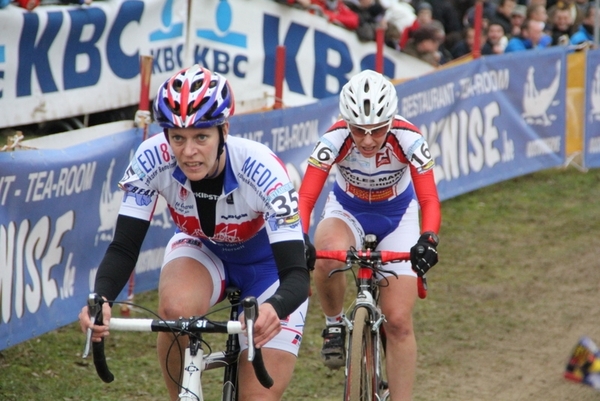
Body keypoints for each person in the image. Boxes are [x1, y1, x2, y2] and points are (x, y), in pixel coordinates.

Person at [78, 65, 311, 401]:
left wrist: (275, 307)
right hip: (202, 251)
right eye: (178, 138)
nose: (188, 152)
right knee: (174, 311)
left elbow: (296, 275)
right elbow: (124, 248)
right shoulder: (152, 157)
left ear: (224, 131)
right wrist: (101, 298)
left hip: (268, 267)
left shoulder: (261, 170)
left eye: (201, 137)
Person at [298, 70, 441, 401]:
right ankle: (334, 324)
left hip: (398, 216)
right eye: (358, 129)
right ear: (345, 121)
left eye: (377, 130)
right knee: (325, 254)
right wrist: (299, 236)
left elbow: (430, 199)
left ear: (390, 120)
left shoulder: (409, 138)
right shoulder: (334, 138)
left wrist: (429, 238)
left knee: (399, 321)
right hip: (348, 211)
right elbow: (305, 199)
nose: (366, 139)